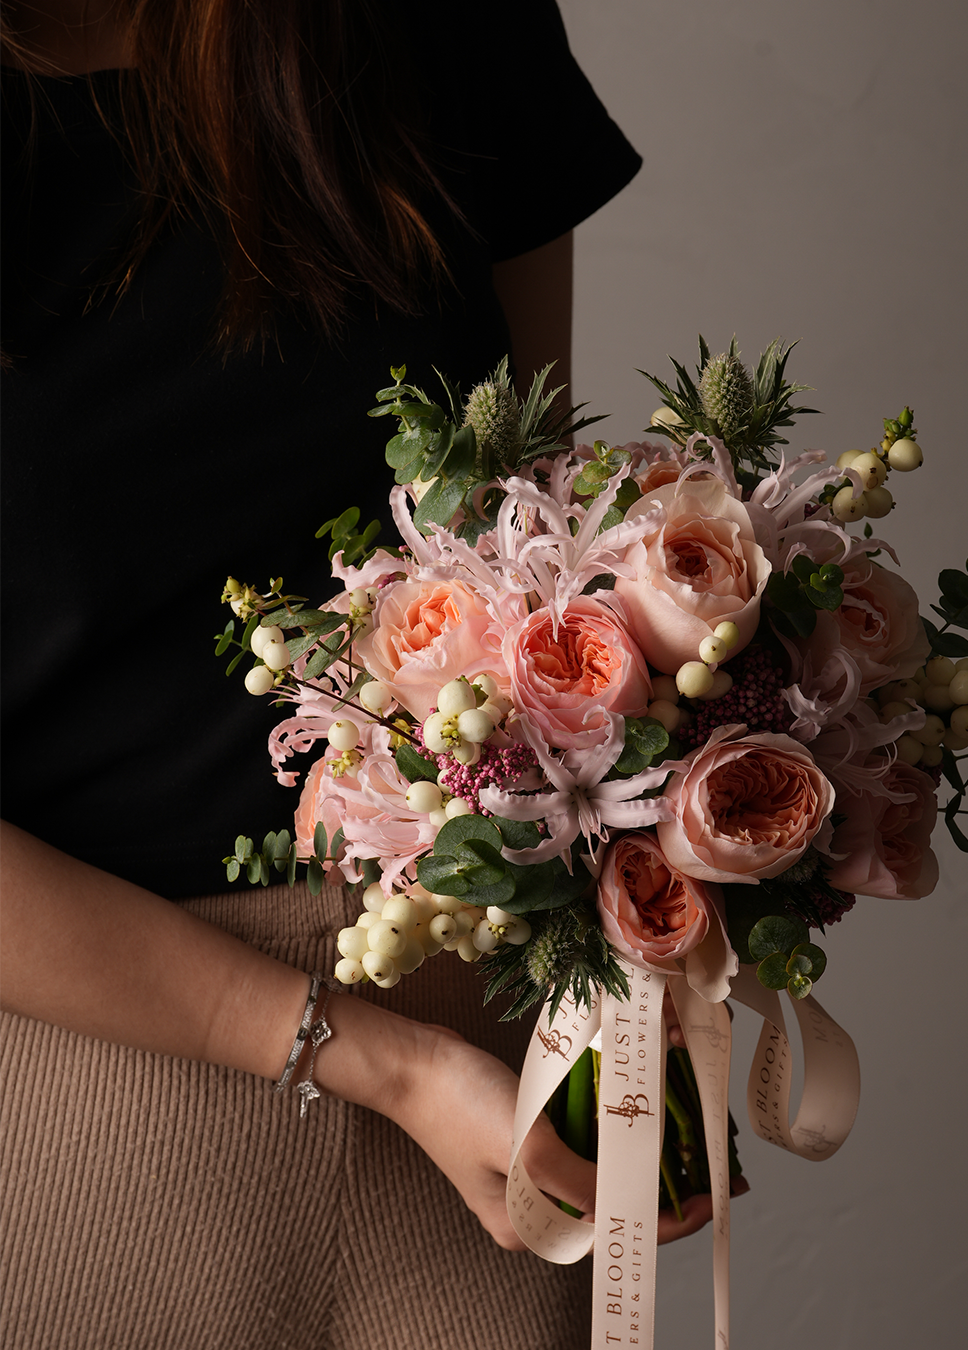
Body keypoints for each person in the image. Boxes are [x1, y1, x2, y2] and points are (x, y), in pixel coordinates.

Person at [0, 3, 712, 1346]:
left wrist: (652, 934)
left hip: (483, 1092)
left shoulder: (428, 31)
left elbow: (544, 550)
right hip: (79, 1102)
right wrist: (372, 1057)